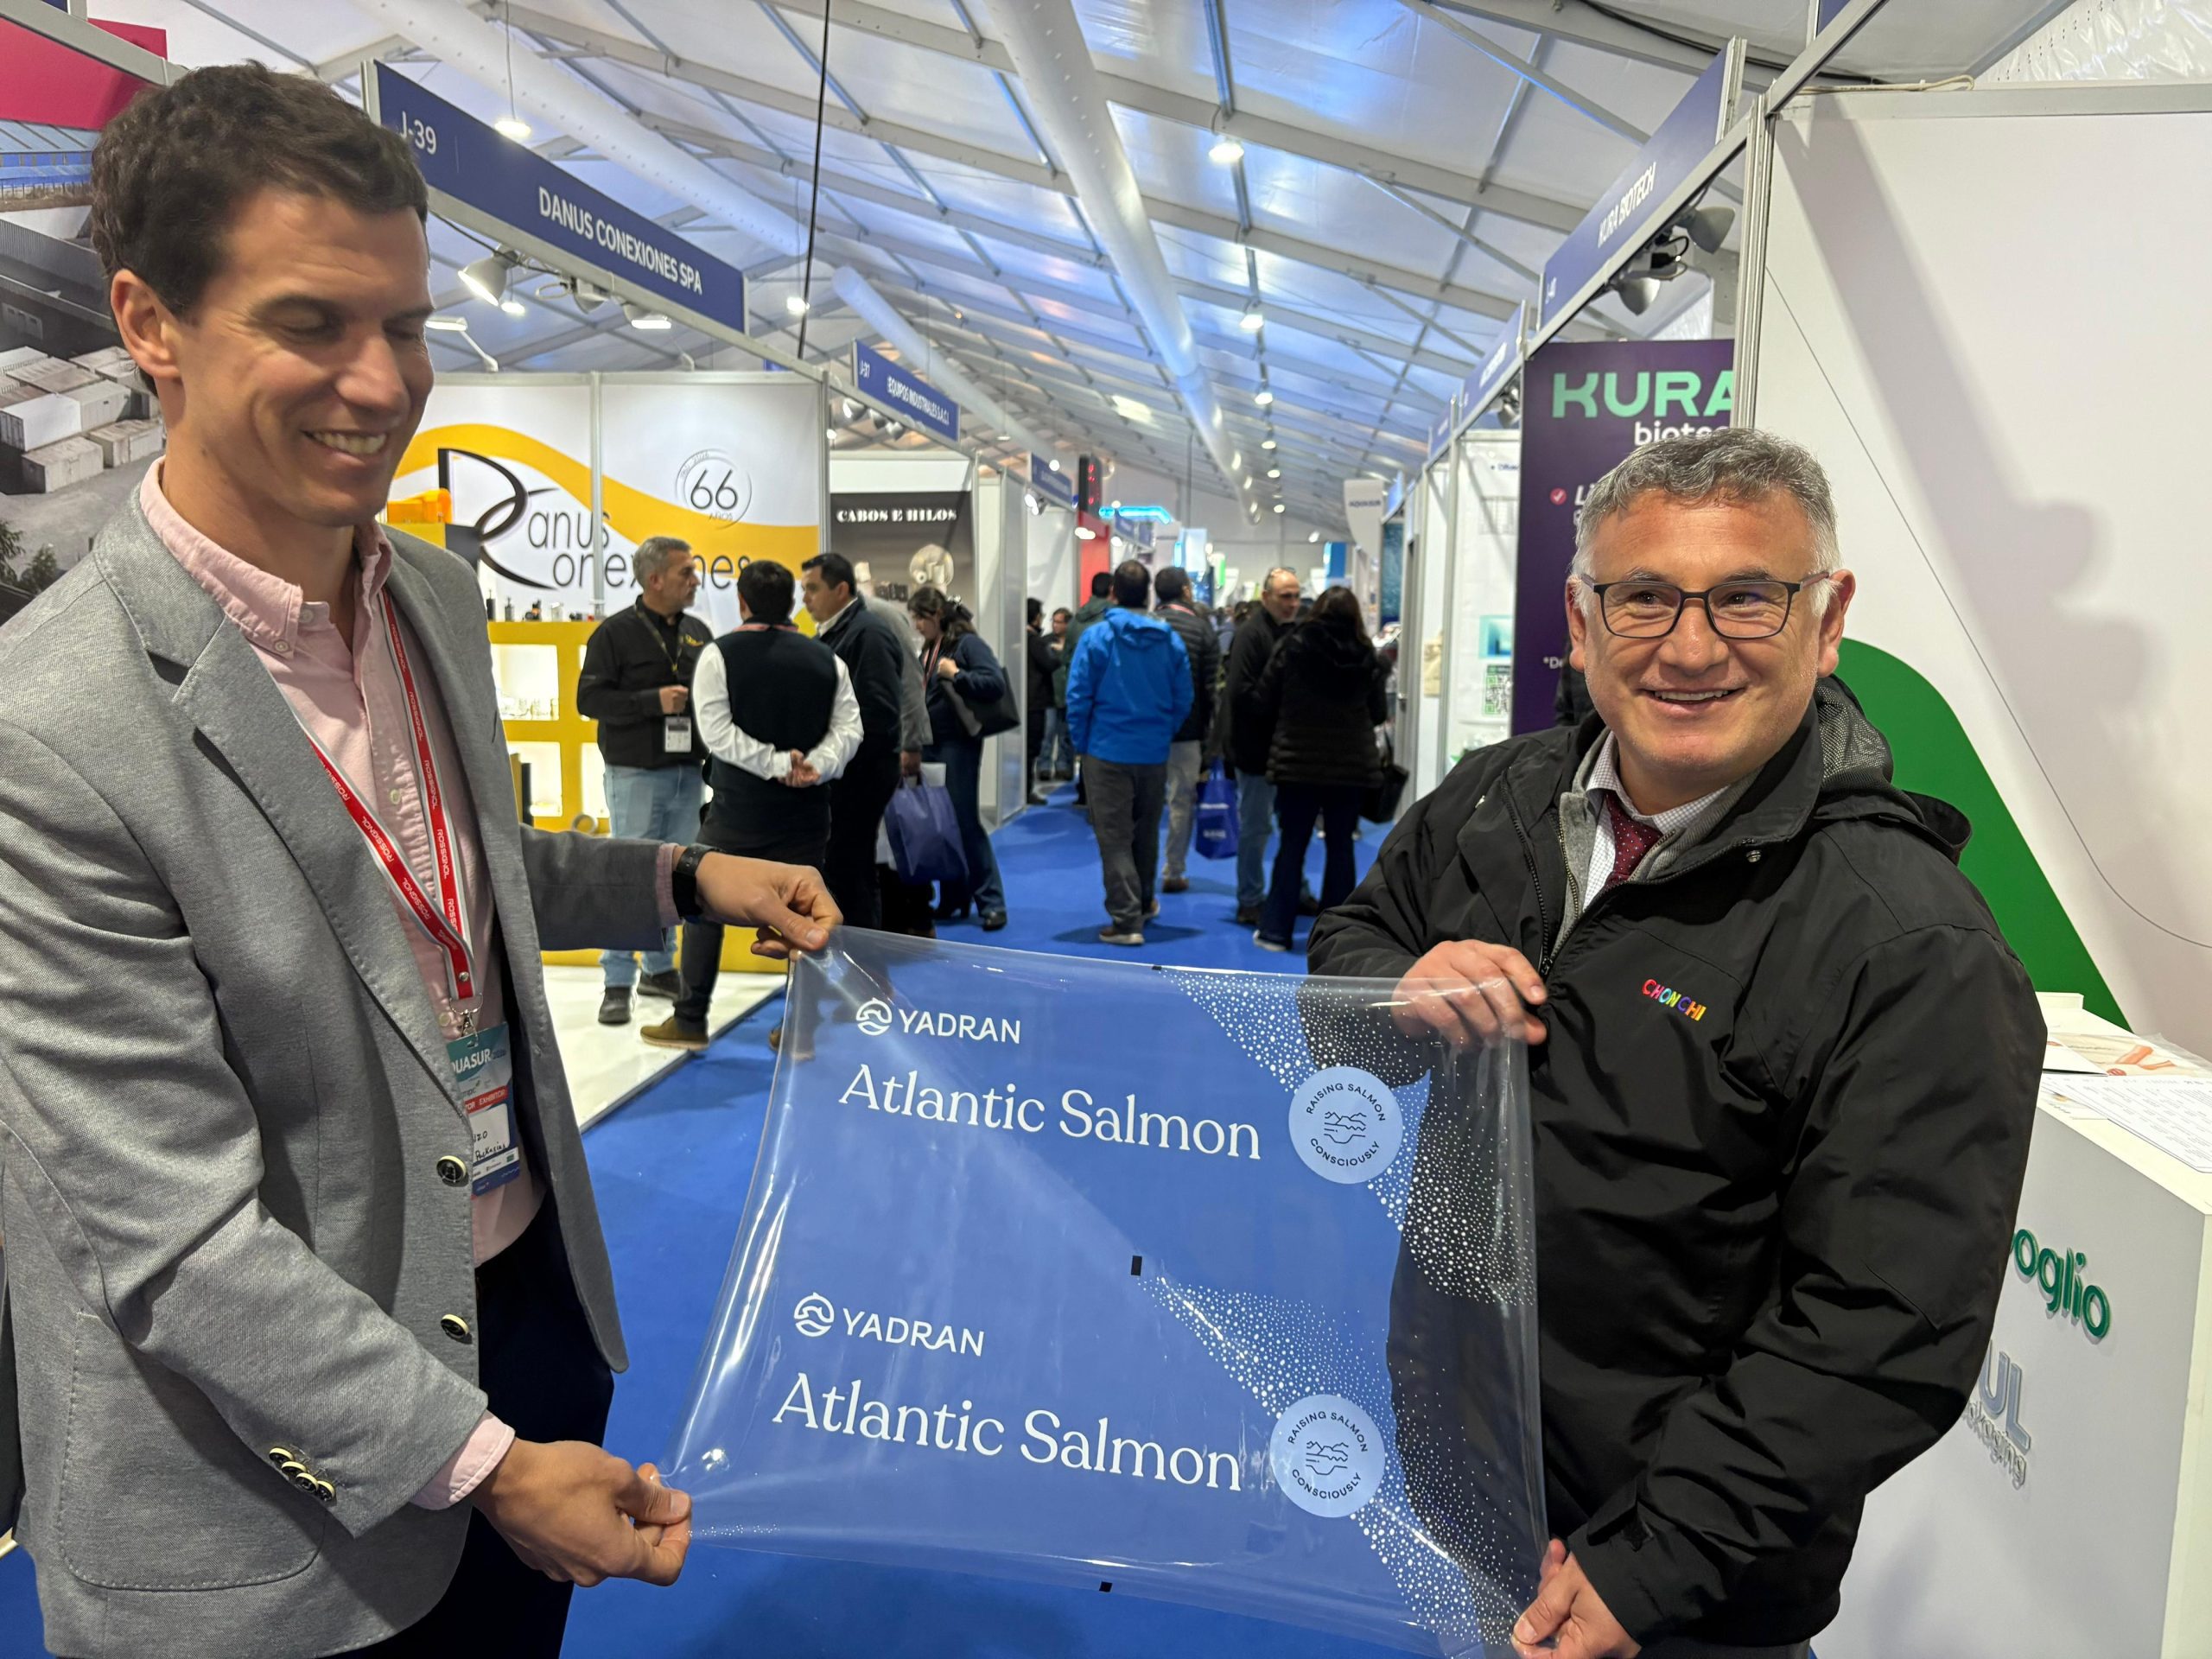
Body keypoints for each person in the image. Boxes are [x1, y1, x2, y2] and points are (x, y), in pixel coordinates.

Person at [0, 64, 840, 1659]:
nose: (382, 381)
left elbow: (449, 874)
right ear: (149, 322)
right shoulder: (48, 735)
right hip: (263, 1483)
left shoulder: (429, 598)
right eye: (313, 322)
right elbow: (172, 1240)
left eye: (408, 324)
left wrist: (686, 881)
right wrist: (486, 1468)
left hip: (520, 1332)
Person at [1308, 429, 2041, 1659]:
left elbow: (1881, 1325)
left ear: (1828, 616)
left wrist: (1654, 1564)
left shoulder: (1908, 940)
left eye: (1746, 596)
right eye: (1644, 596)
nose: (1690, 647)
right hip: (1472, 1479)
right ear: (1583, 619)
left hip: (1671, 1592)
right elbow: (1351, 946)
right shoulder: (1495, 798)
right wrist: (1398, 989)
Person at [645, 560, 860, 1052]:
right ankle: (801, 1030)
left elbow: (717, 733)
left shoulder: (719, 655)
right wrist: (815, 766)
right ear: (790, 603)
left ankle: (691, 1017)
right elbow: (850, 729)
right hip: (807, 811)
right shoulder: (826, 658)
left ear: (742, 601)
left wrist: (774, 762)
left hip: (737, 812)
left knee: (701, 900)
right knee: (804, 915)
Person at [575, 535, 711, 1026]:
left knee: (676, 876)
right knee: (628, 874)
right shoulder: (613, 635)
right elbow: (588, 702)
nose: (695, 581)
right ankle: (617, 980)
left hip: (687, 773)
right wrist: (652, 703)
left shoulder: (698, 632)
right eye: (686, 573)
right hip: (634, 772)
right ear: (655, 580)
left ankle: (658, 968)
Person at [1246, 586, 1387, 951]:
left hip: (1297, 765)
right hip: (1350, 768)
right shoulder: (1366, 655)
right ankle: (1336, 935)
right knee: (1341, 848)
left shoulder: (1293, 647)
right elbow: (1378, 713)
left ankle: (1276, 930)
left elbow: (1263, 699)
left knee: (1292, 845)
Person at [1065, 559, 1191, 946]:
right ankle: (1145, 902)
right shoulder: (1169, 640)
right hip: (1152, 752)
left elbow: (1078, 696)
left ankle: (1125, 921)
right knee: (1146, 832)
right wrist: (1162, 732)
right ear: (1148, 593)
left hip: (1107, 751)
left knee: (1114, 836)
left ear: (1113, 593)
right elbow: (1183, 698)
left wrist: (1081, 744)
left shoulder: (1096, 638)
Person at [802, 551, 909, 932]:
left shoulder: (867, 633)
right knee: (847, 865)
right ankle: (859, 956)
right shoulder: (841, 632)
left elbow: (878, 713)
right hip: (847, 769)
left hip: (861, 771)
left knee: (852, 866)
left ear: (841, 588)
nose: (805, 599)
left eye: (813, 589)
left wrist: (839, 756)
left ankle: (866, 960)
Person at [909, 585, 1008, 931]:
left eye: (920, 618)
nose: (917, 625)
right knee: (941, 825)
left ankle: (991, 902)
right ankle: (954, 898)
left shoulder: (966, 645)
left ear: (936, 615)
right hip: (931, 744)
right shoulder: (931, 647)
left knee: (964, 822)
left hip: (957, 745)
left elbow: (994, 682)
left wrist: (957, 675)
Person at [1224, 566, 1311, 925]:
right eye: (1285, 596)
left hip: (1288, 751)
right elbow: (1240, 693)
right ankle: (1249, 898)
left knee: (1293, 829)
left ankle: (1296, 890)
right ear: (1266, 597)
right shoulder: (1251, 634)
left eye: (1296, 596)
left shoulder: (1296, 630)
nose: (1292, 603)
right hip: (1257, 751)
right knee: (1256, 828)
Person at [1150, 564, 1219, 893]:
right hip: (1188, 732)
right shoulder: (1202, 629)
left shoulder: (1142, 626)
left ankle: (1139, 871)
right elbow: (1210, 689)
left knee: (1143, 804)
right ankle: (1173, 870)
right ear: (1186, 591)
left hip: (1142, 732)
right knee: (1181, 802)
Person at [1056, 570, 1115, 806]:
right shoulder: (1111, 619)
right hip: (1105, 690)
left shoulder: (1077, 619)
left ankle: (1083, 792)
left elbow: (1067, 656)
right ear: (1111, 589)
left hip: (1079, 687)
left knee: (1083, 744)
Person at [1024, 595, 1058, 804]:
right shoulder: (1035, 641)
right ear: (1036, 618)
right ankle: (1026, 790)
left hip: (1023, 699)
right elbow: (1050, 664)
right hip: (1035, 701)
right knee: (1032, 748)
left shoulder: (1016, 637)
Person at [1039, 605, 1075, 780]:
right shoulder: (1045, 642)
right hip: (1050, 694)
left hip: (1069, 695)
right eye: (1053, 621)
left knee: (1066, 736)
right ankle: (1044, 767)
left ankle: (1063, 767)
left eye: (1059, 622)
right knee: (1048, 733)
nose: (1055, 625)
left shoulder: (1074, 644)